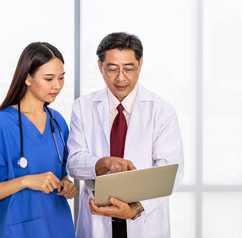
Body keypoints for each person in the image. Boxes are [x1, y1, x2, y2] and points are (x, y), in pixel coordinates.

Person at [66, 32, 184, 238]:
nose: (121, 78)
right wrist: (103, 163)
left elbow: (170, 173)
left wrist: (136, 208)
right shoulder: (83, 107)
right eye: (112, 69)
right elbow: (73, 164)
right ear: (100, 67)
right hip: (97, 221)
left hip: (145, 221)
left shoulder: (162, 111)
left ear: (140, 65)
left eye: (128, 69)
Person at [0, 42, 78, 238]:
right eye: (48, 78)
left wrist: (66, 183)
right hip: (17, 230)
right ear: (27, 78)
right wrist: (26, 181)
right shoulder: (1, 124)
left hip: (58, 226)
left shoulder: (57, 121)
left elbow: (61, 172)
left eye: (61, 78)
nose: (57, 85)